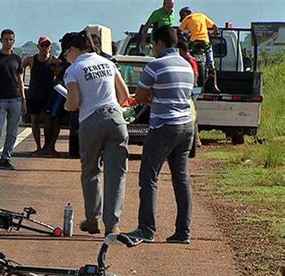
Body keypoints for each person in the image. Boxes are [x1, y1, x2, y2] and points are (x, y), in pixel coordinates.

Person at [125, 26, 194, 244]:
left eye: (153, 44)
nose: (152, 49)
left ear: (160, 43)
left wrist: (149, 96)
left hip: (164, 126)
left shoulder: (155, 66)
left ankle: (146, 229)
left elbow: (140, 96)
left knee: (149, 176)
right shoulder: (187, 65)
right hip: (186, 126)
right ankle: (183, 231)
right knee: (181, 178)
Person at [63, 30, 131, 236]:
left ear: (73, 50)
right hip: (116, 119)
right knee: (117, 173)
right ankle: (112, 224)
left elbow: (73, 103)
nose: (66, 58)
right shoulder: (108, 63)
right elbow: (125, 94)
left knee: (91, 171)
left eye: (66, 54)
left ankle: (92, 219)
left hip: (91, 121)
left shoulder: (74, 69)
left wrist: (67, 106)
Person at [0, 29, 26, 170]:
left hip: (15, 100)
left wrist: (23, 100)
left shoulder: (17, 59)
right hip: (0, 100)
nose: (8, 42)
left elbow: (20, 81)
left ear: (14, 41)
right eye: (6, 39)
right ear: (1, 40)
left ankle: (5, 158)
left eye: (11, 39)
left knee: (12, 132)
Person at [22, 36, 56, 156]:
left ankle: (47, 147)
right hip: (34, 95)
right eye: (43, 45)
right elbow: (18, 68)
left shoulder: (53, 60)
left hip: (48, 96)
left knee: (47, 121)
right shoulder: (31, 59)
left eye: (47, 45)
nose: (45, 48)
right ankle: (38, 147)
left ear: (50, 47)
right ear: (38, 47)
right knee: (34, 120)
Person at [178, 6, 220, 93]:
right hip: (205, 42)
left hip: (194, 43)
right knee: (211, 63)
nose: (182, 19)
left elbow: (178, 32)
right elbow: (215, 27)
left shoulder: (187, 18)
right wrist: (212, 34)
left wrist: (185, 38)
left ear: (185, 14)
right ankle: (215, 85)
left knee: (189, 58)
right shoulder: (202, 16)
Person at [178, 40, 202, 147]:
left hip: (188, 92)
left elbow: (195, 74)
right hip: (188, 91)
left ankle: (196, 139)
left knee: (192, 115)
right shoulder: (188, 60)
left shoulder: (189, 60)